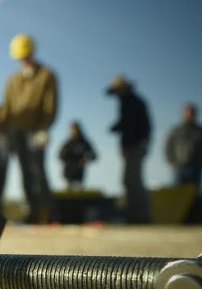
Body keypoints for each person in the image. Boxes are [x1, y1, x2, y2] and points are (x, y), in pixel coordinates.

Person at [0, 33, 58, 224]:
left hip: (35, 130)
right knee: (24, 171)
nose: (24, 60)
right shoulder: (12, 80)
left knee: (37, 169)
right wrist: (2, 132)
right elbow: (6, 107)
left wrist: (44, 129)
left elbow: (50, 105)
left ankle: (47, 212)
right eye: (21, 57)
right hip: (16, 131)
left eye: (26, 56)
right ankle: (32, 211)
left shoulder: (47, 75)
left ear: (32, 53)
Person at [106, 75, 152, 224]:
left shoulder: (133, 102)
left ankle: (141, 216)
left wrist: (127, 143)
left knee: (133, 181)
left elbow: (132, 125)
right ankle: (134, 214)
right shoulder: (127, 101)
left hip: (135, 146)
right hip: (133, 146)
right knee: (129, 180)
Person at [164, 103, 202, 190]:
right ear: (184, 113)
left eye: (192, 112)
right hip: (180, 168)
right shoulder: (176, 131)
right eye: (188, 112)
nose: (190, 114)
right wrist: (172, 162)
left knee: (195, 193)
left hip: (197, 168)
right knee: (179, 192)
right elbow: (168, 147)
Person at [57, 121, 96, 191]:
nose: (74, 132)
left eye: (75, 130)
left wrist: (85, 160)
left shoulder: (84, 143)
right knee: (67, 191)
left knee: (79, 191)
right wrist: (63, 155)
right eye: (72, 130)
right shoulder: (68, 143)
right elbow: (60, 156)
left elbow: (93, 155)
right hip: (68, 172)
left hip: (79, 173)